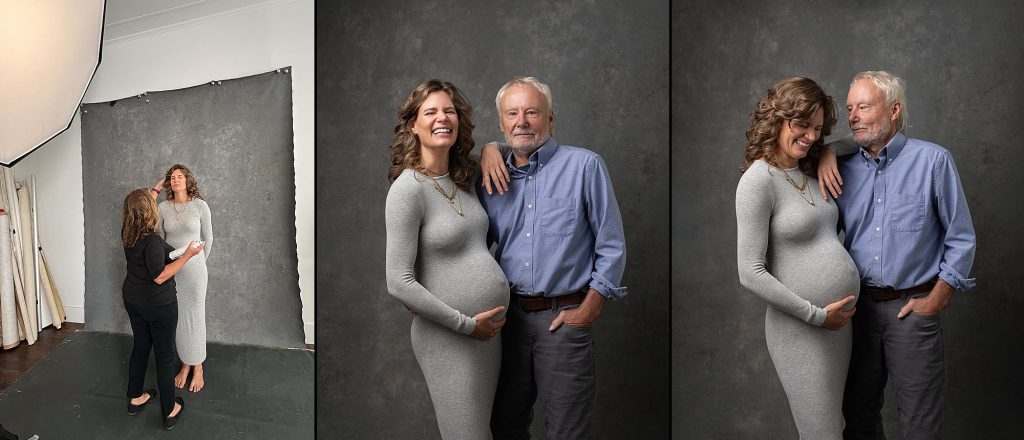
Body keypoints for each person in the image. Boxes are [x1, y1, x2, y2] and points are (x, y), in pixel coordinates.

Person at [816, 71, 976, 440]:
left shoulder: (933, 162)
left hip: (911, 311)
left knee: (920, 425)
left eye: (864, 106)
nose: (853, 115)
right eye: (850, 107)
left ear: (893, 109)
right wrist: (827, 150)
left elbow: (962, 238)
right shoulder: (840, 167)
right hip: (855, 313)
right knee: (857, 417)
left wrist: (936, 299)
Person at [477, 76, 627, 440]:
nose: (522, 121)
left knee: (566, 432)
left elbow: (612, 246)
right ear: (501, 123)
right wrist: (488, 148)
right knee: (504, 426)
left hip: (562, 321)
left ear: (550, 118)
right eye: (512, 113)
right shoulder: (490, 177)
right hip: (505, 323)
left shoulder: (585, 167)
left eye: (532, 112)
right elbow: (469, 247)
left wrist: (589, 309)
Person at [734, 76, 860, 439]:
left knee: (834, 427)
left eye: (818, 129)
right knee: (821, 434)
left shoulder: (810, 165)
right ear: (777, 119)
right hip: (802, 328)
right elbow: (750, 272)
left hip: (838, 327)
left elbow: (861, 141)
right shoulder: (758, 181)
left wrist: (830, 150)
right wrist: (816, 315)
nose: (810, 136)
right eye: (802, 125)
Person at [384, 79, 510, 440]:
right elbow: (398, 281)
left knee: (483, 431)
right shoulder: (408, 190)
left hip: (489, 336)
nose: (443, 118)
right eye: (431, 111)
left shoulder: (466, 177)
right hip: (450, 336)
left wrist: (490, 147)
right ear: (413, 125)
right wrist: (468, 325)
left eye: (450, 111)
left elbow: (517, 146)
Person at [121, 188, 204, 430]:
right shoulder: (153, 241)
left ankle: (135, 398)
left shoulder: (128, 233)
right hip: (158, 305)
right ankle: (169, 410)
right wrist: (188, 254)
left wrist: (153, 191)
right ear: (150, 211)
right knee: (165, 356)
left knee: (141, 347)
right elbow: (160, 276)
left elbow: (138, 204)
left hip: (133, 301)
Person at [151, 165, 213, 393]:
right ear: (169, 183)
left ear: (187, 180)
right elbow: (160, 241)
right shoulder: (164, 208)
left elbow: (209, 237)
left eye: (180, 177)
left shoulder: (200, 205)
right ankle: (185, 364)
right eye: (172, 178)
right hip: (174, 270)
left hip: (195, 272)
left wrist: (199, 263)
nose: (176, 180)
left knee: (195, 316)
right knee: (177, 317)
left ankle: (198, 367)